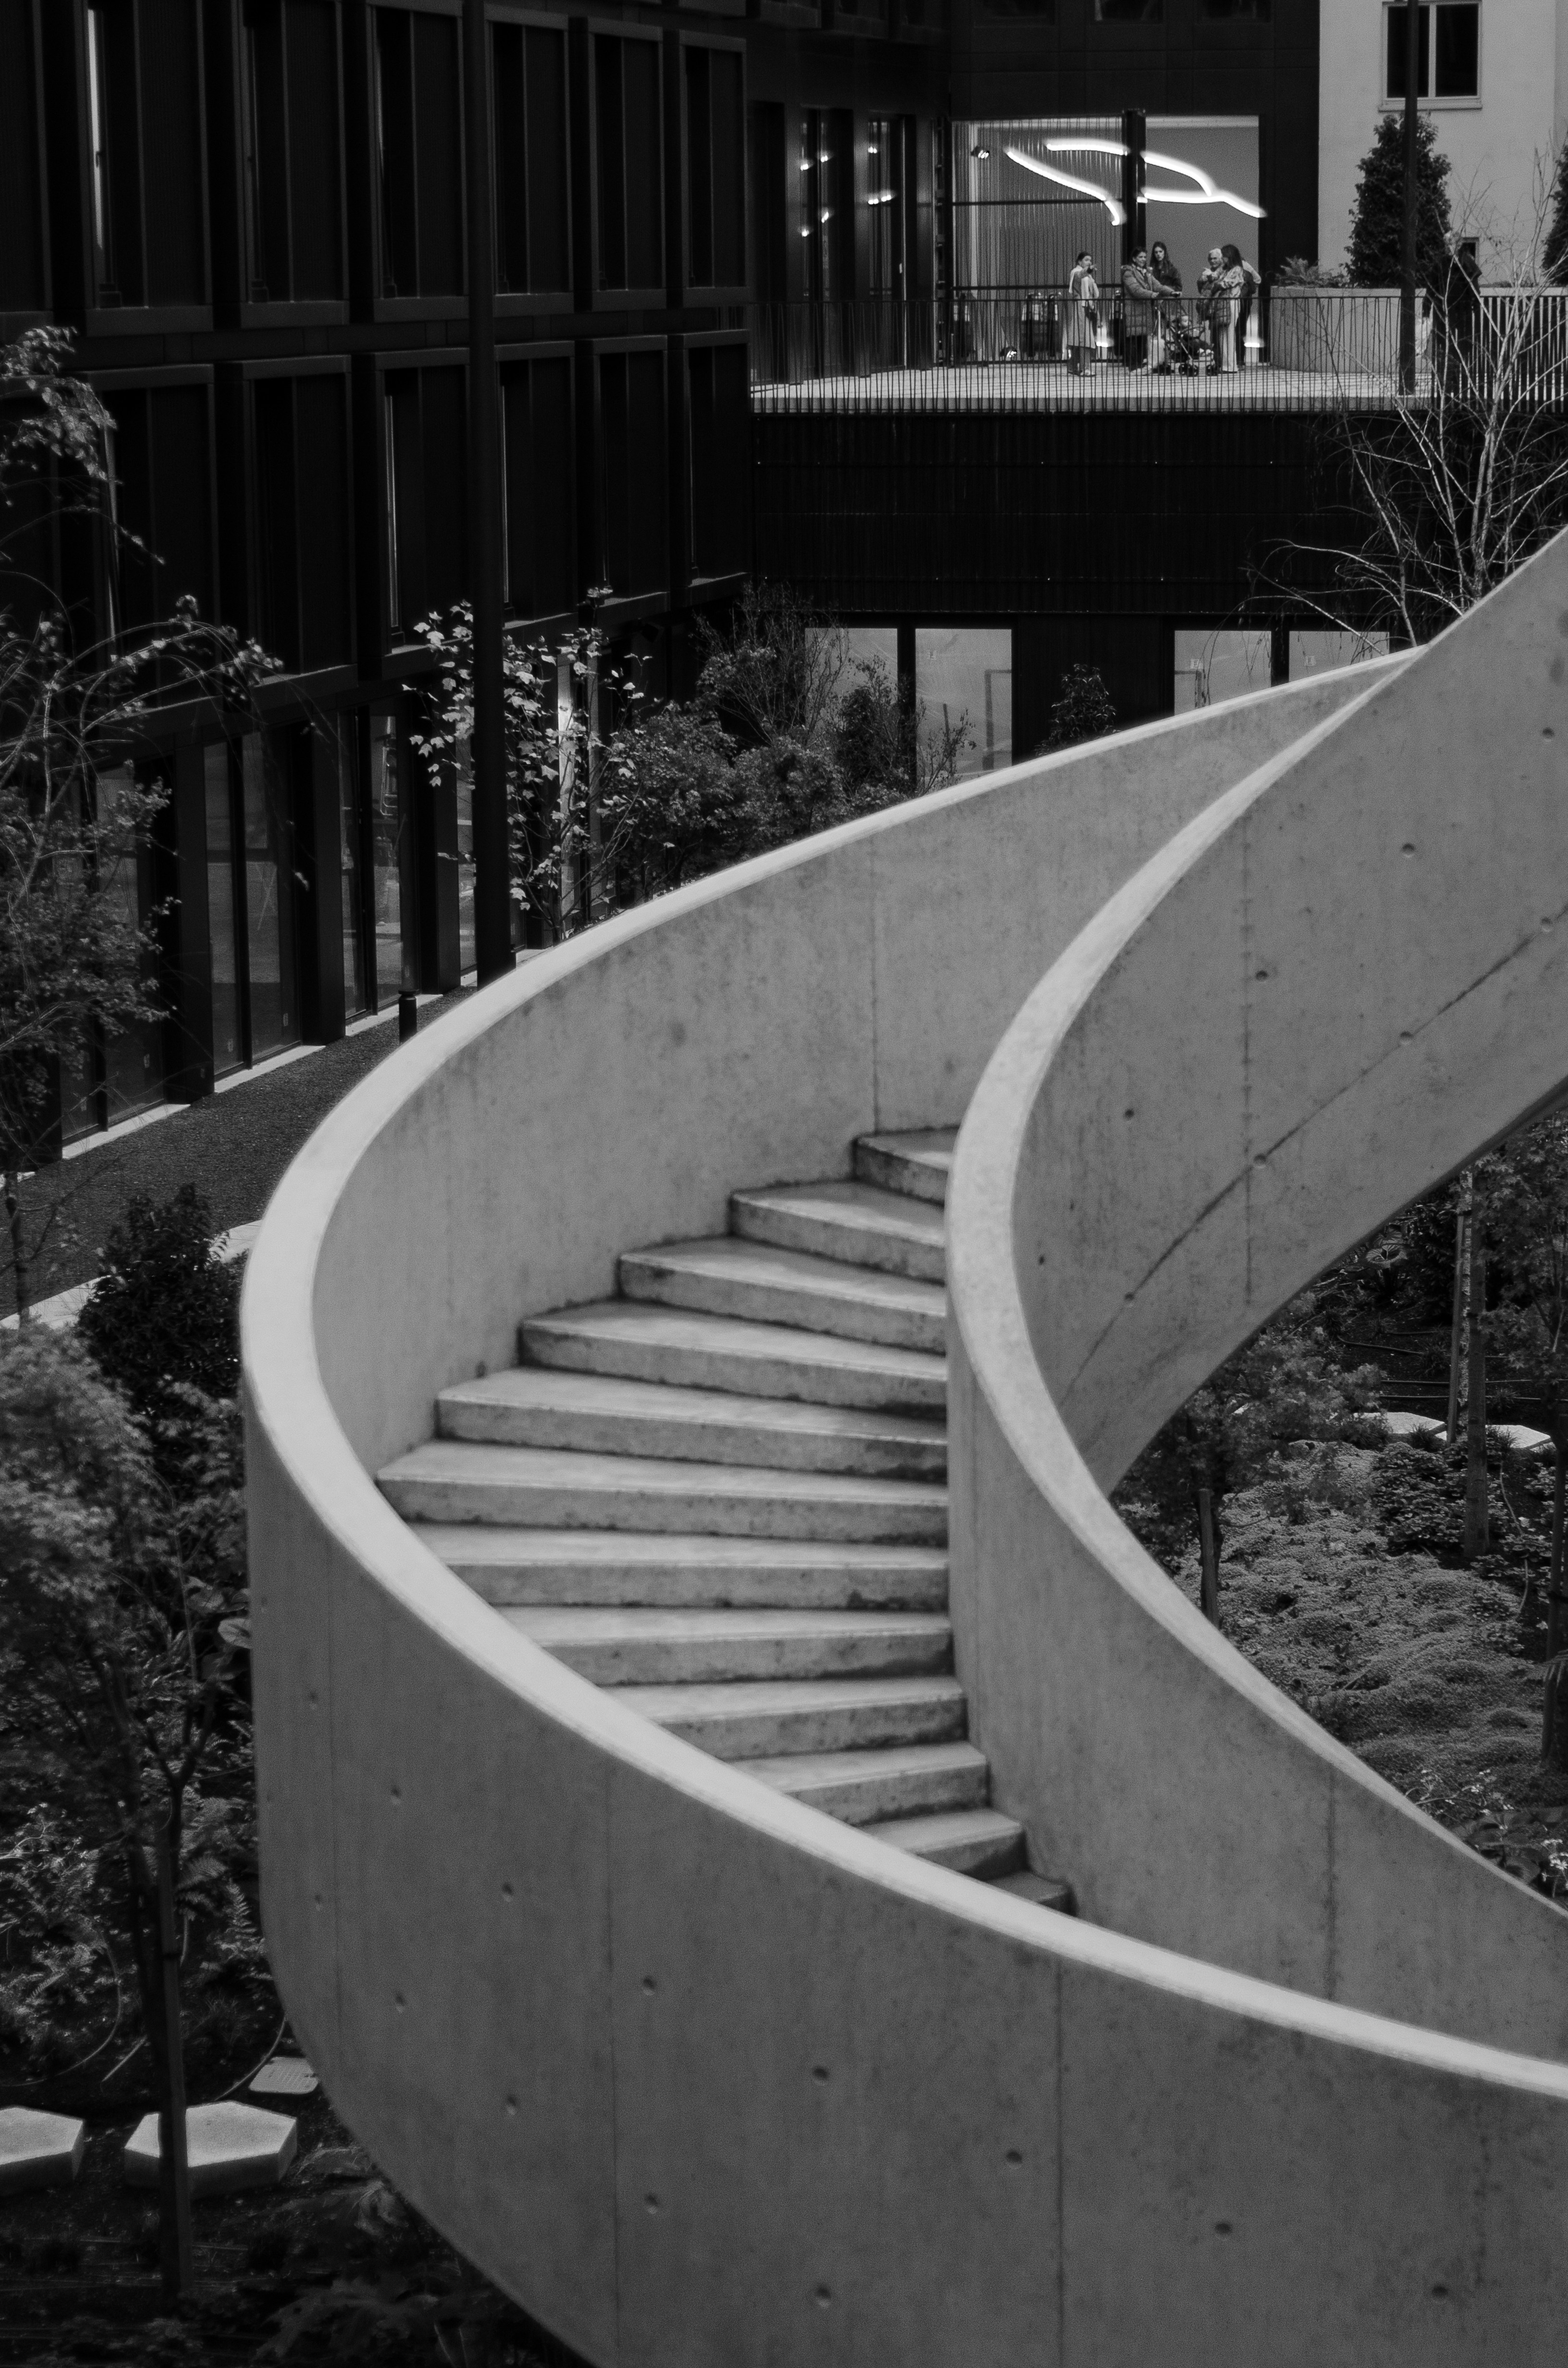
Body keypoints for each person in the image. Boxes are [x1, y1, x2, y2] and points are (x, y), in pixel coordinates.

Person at [1120, 247, 1166, 372]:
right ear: (1134, 259)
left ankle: (1141, 365)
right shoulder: (1129, 273)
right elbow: (1135, 290)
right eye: (1140, 257)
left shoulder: (1146, 273)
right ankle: (1134, 366)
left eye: (1145, 257)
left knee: (1142, 338)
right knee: (1134, 339)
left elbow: (1159, 286)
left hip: (1144, 311)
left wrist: (1173, 293)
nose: (1143, 260)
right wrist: (1152, 295)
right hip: (1134, 311)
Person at [1223, 242, 1263, 368]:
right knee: (1236, 330)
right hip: (1242, 301)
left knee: (1238, 330)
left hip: (1242, 302)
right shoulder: (1228, 268)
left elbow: (1258, 279)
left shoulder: (1243, 266)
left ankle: (1238, 360)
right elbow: (1256, 281)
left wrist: (1245, 289)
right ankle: (1237, 361)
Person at [1064, 251, 1100, 375]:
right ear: (1079, 262)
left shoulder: (1089, 277)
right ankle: (1086, 368)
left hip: (1087, 307)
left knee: (1079, 337)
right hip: (1081, 307)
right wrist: (1089, 270)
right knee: (1084, 337)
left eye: (1090, 260)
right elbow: (1080, 275)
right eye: (1086, 260)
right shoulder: (1076, 272)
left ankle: (1073, 367)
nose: (1089, 262)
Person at [1196, 245, 1230, 370]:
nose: (1213, 261)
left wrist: (1212, 278)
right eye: (1211, 259)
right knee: (1214, 339)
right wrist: (1202, 279)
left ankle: (1222, 364)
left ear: (1221, 259)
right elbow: (1202, 290)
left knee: (1220, 338)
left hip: (1220, 309)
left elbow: (1221, 286)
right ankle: (1217, 364)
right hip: (1211, 309)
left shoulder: (1225, 271)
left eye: (1215, 258)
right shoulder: (1208, 272)